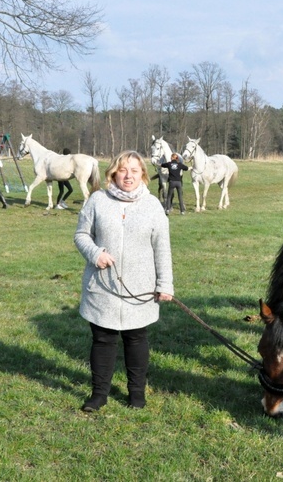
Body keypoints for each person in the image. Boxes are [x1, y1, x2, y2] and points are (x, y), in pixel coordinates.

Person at [74, 150, 174, 411]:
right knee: (103, 339)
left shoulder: (153, 206)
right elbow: (81, 235)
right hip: (103, 286)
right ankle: (99, 394)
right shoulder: (97, 200)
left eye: (134, 170)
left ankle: (137, 393)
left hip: (139, 288)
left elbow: (162, 248)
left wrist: (165, 285)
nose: (128, 175)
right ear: (113, 173)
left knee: (136, 339)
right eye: (123, 170)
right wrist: (95, 253)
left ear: (143, 174)